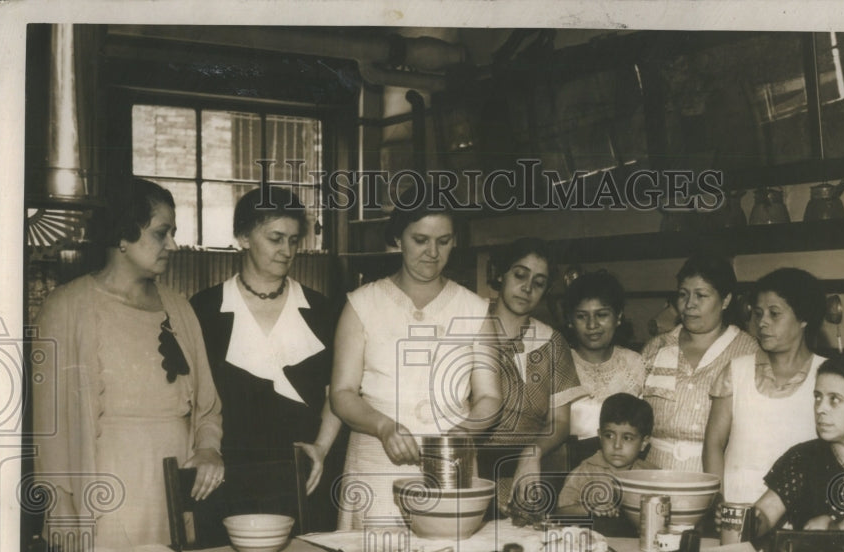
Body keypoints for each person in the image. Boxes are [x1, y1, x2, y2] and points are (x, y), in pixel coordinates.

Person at [32, 177, 223, 552]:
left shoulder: (180, 309)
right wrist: (64, 513)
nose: (171, 245)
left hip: (173, 499)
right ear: (123, 234)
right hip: (104, 500)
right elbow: (51, 426)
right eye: (161, 232)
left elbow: (208, 405)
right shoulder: (68, 307)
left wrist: (209, 447)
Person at [330, 184, 501, 529]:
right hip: (377, 466)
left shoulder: (474, 309)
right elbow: (342, 393)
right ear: (398, 238)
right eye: (420, 240)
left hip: (451, 469)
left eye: (444, 241)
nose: (432, 253)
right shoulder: (362, 304)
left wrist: (462, 434)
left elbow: (490, 396)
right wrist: (383, 426)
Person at [190, 186, 342, 528]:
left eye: (293, 240)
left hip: (304, 474)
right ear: (244, 237)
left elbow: (339, 392)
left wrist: (321, 447)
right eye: (275, 238)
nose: (286, 250)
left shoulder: (321, 311)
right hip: (228, 477)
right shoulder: (204, 310)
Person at [481, 237, 587, 515]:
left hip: (525, 469)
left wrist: (532, 454)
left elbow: (560, 422)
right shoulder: (466, 322)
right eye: (520, 275)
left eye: (538, 283)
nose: (527, 288)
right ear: (501, 274)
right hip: (465, 465)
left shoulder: (552, 342)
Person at [704, 267, 827, 505]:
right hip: (736, 505)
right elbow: (714, 443)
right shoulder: (736, 371)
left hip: (800, 510)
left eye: (774, 314)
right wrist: (717, 499)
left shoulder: (827, 376)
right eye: (758, 313)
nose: (762, 323)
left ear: (804, 317)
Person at [748, 353, 844, 538]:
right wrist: (746, 521)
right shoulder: (804, 458)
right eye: (818, 397)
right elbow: (765, 514)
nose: (820, 408)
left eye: (834, 399)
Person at [640, 254, 758, 472]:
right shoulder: (657, 347)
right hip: (653, 470)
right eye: (683, 295)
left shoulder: (748, 352)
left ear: (726, 300)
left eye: (701, 295)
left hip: (719, 472)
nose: (689, 305)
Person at [563, 270, 646, 440]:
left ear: (618, 317)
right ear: (570, 321)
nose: (592, 325)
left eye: (601, 315)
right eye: (581, 316)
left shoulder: (634, 363)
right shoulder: (559, 364)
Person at [556, 393, 652, 519]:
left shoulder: (650, 476)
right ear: (600, 436)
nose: (617, 445)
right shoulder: (585, 471)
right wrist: (588, 509)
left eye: (627, 438)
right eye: (609, 436)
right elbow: (560, 512)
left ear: (643, 443)